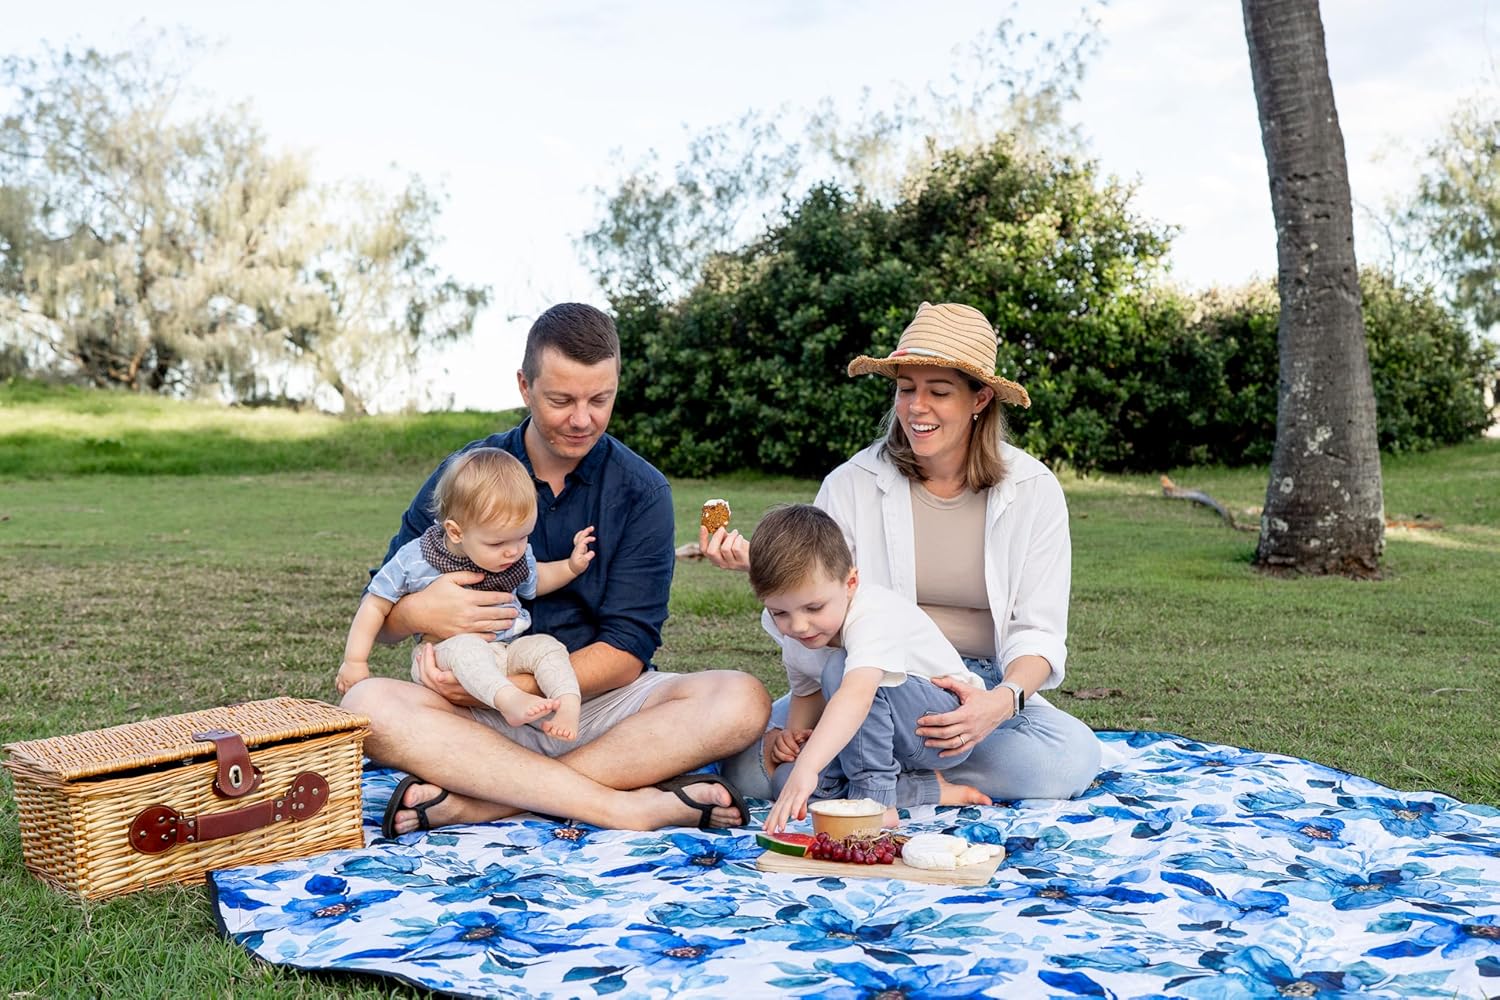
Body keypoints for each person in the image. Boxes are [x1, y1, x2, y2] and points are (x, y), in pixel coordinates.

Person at [341, 302, 769, 835]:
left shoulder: (642, 491)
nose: (582, 418)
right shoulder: (466, 474)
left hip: (591, 706)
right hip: (469, 709)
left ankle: (486, 803)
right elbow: (378, 609)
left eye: (600, 399)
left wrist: (518, 687)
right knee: (367, 703)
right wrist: (419, 613)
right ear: (525, 386)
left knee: (741, 700)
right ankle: (617, 804)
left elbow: (628, 649)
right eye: (561, 400)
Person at [708, 301, 1101, 807]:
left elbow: (1039, 631)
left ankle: (854, 777)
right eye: (906, 389)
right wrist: (757, 564)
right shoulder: (850, 485)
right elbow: (813, 607)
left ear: (979, 398)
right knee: (746, 765)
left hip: (971, 687)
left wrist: (997, 705)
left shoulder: (1033, 490)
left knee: (1063, 761)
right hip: (860, 677)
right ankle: (905, 781)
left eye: (938, 392)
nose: (917, 407)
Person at [748, 503, 989, 834]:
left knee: (839, 670)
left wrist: (809, 765)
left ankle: (874, 803)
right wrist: (793, 740)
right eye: (780, 613)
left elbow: (857, 696)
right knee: (790, 784)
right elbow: (806, 688)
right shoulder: (790, 628)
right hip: (881, 736)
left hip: (940, 726)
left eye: (813, 607)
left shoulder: (872, 613)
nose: (799, 626)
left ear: (850, 583)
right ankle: (926, 790)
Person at [335, 447, 592, 741]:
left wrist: (571, 566)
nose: (514, 550)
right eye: (497, 543)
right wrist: (355, 661)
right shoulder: (417, 558)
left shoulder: (515, 556)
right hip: (445, 657)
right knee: (467, 649)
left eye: (523, 537)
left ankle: (568, 703)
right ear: (456, 532)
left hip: (506, 652)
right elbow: (374, 604)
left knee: (547, 646)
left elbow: (538, 578)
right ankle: (509, 700)